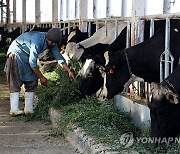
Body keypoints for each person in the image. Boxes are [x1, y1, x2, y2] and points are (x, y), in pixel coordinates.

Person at [5, 28, 75, 116]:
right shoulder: (37, 41)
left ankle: (29, 109)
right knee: (15, 79)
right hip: (17, 52)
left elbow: (59, 57)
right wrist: (41, 77)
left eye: (54, 43)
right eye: (51, 42)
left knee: (32, 79)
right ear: (47, 39)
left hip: (27, 55)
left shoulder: (52, 43)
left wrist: (69, 71)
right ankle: (14, 109)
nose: (53, 44)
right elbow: (32, 62)